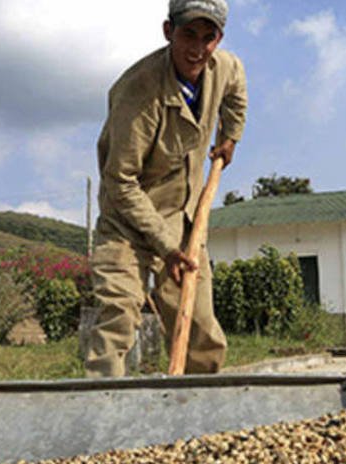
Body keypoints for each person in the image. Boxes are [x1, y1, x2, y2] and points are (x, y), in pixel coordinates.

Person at [86, 0, 247, 377]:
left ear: (219, 39)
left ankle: (199, 417)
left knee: (200, 327)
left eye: (209, 37)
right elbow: (120, 182)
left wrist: (230, 137)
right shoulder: (137, 93)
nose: (197, 47)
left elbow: (236, 93)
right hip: (126, 221)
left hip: (182, 218)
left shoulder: (224, 67)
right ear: (168, 31)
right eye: (188, 34)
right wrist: (165, 247)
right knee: (117, 317)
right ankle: (101, 415)